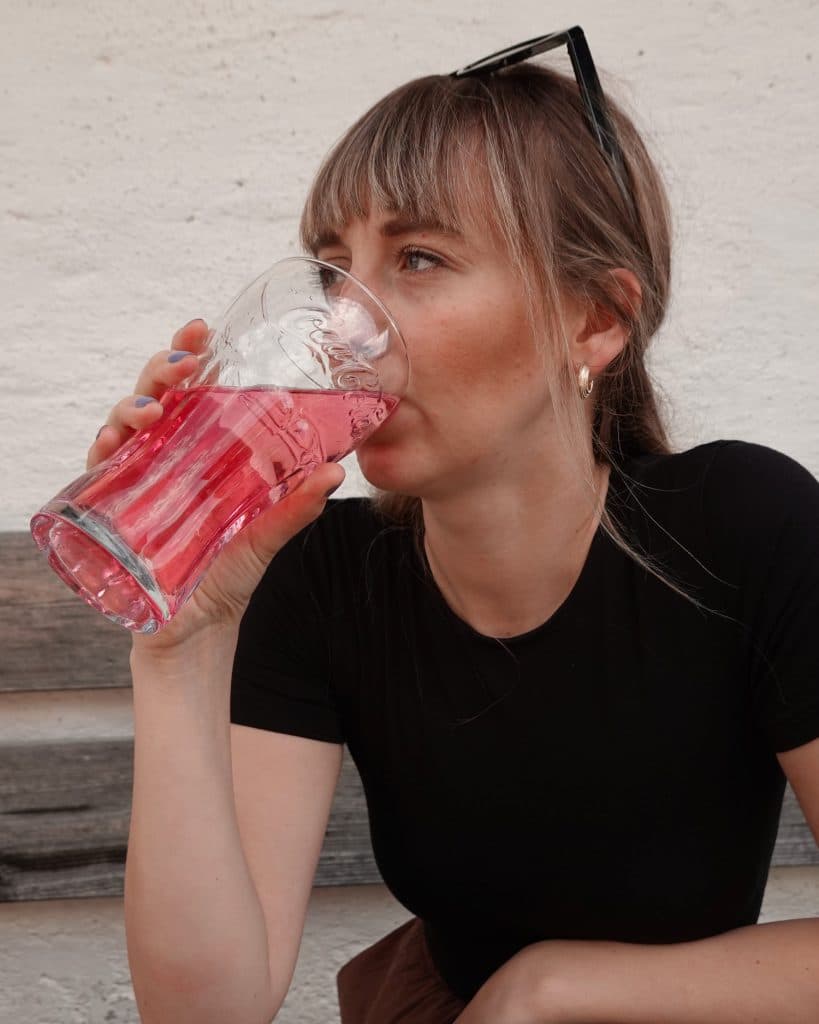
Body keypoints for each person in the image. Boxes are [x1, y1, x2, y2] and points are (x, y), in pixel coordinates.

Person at [90, 28, 819, 1024]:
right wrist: (182, 639)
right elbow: (208, 1011)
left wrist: (549, 987)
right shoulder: (322, 578)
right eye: (331, 268)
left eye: (420, 258)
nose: (346, 326)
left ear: (595, 319)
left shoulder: (747, 531)